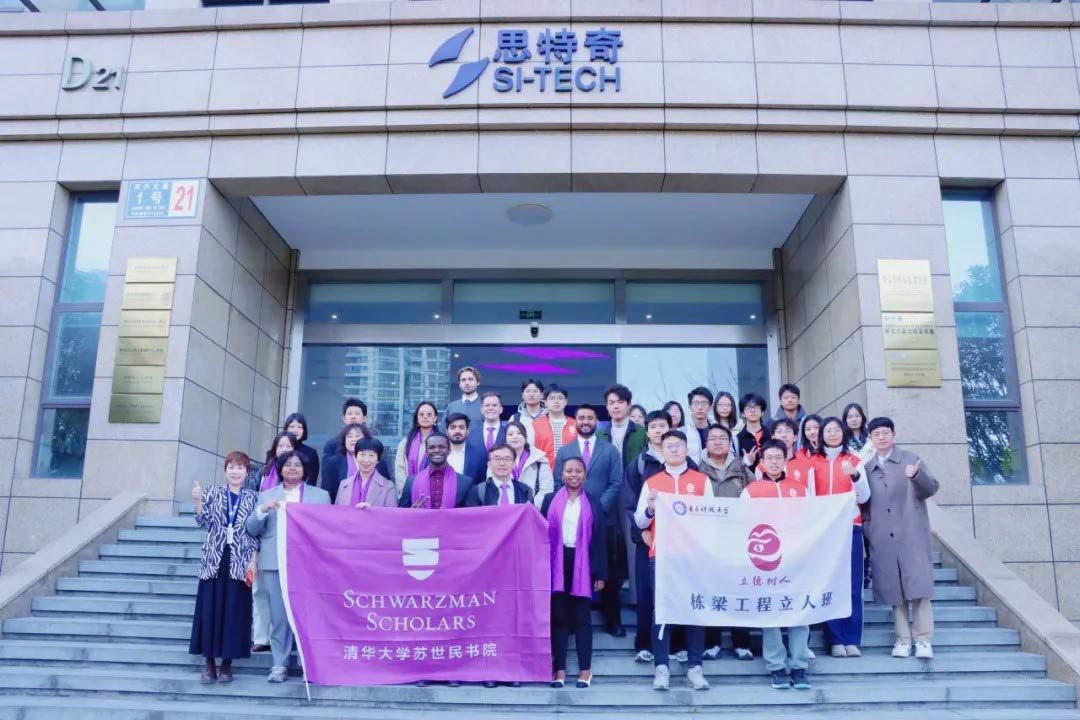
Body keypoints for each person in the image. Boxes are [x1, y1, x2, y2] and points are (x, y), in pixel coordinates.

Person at [633, 430, 711, 692]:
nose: (674, 449)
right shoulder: (652, 483)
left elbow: (712, 519)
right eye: (669, 446)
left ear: (686, 449)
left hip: (693, 556)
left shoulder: (701, 481)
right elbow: (639, 521)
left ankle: (695, 667)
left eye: (678, 445)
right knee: (662, 611)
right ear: (661, 450)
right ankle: (662, 667)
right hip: (661, 555)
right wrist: (651, 508)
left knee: (695, 609)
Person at [245, 450, 331, 682]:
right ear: (280, 469)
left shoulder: (320, 496)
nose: (293, 468)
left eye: (298, 465)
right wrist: (262, 510)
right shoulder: (266, 496)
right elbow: (251, 529)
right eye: (288, 464)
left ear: (305, 470)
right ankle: (279, 664)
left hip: (308, 564)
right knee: (279, 616)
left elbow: (326, 529)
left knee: (308, 615)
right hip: (275, 563)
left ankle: (309, 665)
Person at [862, 417, 939, 660]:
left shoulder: (910, 459)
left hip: (911, 533)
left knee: (919, 588)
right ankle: (903, 639)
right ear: (870, 439)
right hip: (883, 537)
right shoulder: (868, 468)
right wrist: (869, 529)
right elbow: (864, 504)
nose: (881, 437)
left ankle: (923, 638)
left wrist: (917, 476)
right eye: (876, 434)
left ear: (893, 434)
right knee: (894, 590)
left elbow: (931, 488)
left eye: (885, 432)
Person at [742, 440, 811, 690]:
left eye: (778, 457)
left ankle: (800, 666)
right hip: (766, 561)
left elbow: (813, 520)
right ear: (761, 462)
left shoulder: (800, 489)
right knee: (770, 612)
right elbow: (742, 523)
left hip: (796, 560)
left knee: (799, 612)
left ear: (785, 460)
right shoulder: (751, 490)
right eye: (769, 457)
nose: (773, 462)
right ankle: (777, 667)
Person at [554, 404, 626, 638]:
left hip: (603, 520)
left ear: (597, 421)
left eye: (590, 418)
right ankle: (570, 623)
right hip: (571, 520)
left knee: (606, 571)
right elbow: (558, 483)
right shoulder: (565, 451)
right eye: (581, 417)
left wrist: (594, 509)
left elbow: (616, 483)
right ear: (575, 421)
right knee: (571, 570)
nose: (585, 421)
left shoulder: (610, 450)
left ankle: (612, 621)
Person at [189, 451, 259, 684]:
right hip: (214, 559)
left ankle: (227, 662)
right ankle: (209, 661)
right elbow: (203, 522)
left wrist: (253, 560)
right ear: (225, 470)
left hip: (240, 560)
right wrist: (198, 502)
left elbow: (255, 533)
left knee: (234, 611)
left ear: (247, 472)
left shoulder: (253, 498)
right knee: (210, 609)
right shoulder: (213, 492)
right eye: (231, 467)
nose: (235, 472)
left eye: (240, 468)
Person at [542, 457, 607, 689]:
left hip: (584, 564)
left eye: (578, 471)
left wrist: (600, 573)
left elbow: (601, 539)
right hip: (556, 563)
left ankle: (585, 670)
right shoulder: (549, 500)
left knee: (582, 619)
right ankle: (559, 669)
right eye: (569, 471)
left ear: (585, 475)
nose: (573, 475)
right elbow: (540, 535)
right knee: (559, 618)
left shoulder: (594, 502)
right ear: (562, 475)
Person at [812, 417, 871, 658]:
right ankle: (835, 639)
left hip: (851, 528)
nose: (833, 434)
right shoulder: (813, 463)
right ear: (821, 435)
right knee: (829, 584)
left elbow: (864, 497)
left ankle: (851, 638)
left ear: (843, 433)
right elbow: (809, 498)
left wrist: (855, 476)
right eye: (828, 430)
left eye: (837, 430)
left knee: (853, 586)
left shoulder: (855, 461)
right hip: (825, 532)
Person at [697, 423, 754, 661]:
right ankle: (712, 642)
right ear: (706, 443)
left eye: (723, 438)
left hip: (738, 540)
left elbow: (757, 498)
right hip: (708, 540)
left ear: (730, 443)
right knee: (711, 590)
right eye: (713, 438)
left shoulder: (742, 469)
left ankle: (742, 642)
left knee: (739, 588)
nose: (718, 442)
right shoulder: (697, 470)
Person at [624, 410, 674, 662]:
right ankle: (644, 644)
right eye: (653, 426)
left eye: (662, 426)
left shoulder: (684, 461)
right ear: (647, 431)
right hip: (648, 539)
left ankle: (675, 646)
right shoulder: (639, 463)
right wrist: (640, 531)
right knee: (646, 594)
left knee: (675, 592)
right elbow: (630, 503)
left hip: (678, 541)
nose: (657, 430)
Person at [249, 430, 299, 653]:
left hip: (294, 549)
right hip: (266, 544)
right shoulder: (263, 476)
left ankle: (288, 638)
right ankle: (262, 637)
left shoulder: (302, 482)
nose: (284, 450)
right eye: (281, 446)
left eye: (289, 446)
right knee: (263, 594)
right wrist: (262, 509)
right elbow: (252, 520)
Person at [400, 432, 473, 509]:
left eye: (442, 447)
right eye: (432, 447)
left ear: (449, 450)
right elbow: (401, 513)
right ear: (426, 452)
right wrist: (412, 511)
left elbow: (471, 514)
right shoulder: (411, 481)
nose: (437, 450)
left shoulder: (465, 483)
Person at [322, 422, 390, 503]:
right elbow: (328, 493)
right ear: (344, 440)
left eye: (358, 436)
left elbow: (386, 488)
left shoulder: (379, 463)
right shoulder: (332, 463)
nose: (353, 439)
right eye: (349, 436)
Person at [465, 443, 535, 508]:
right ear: (489, 464)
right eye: (497, 459)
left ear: (514, 464)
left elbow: (530, 515)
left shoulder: (525, 491)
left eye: (507, 459)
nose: (502, 463)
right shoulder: (478, 491)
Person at [505, 420, 554, 510]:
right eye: (510, 434)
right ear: (505, 439)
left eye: (519, 433)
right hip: (507, 511)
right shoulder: (498, 460)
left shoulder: (540, 459)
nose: (515, 436)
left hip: (533, 511)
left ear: (525, 437)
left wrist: (529, 508)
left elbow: (546, 490)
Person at [336, 437, 397, 508]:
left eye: (371, 455)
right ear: (356, 456)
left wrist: (372, 510)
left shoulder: (388, 486)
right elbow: (337, 512)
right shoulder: (344, 484)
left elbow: (391, 513)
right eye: (362, 455)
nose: (366, 460)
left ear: (378, 460)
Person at [598, 384, 647, 469]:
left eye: (620, 402)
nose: (616, 406)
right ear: (607, 406)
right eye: (611, 403)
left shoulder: (642, 433)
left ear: (629, 405)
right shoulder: (599, 435)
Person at [394, 401, 439, 495]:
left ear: (435, 418)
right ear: (417, 418)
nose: (425, 417)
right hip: (408, 491)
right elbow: (400, 469)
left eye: (429, 414)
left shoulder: (441, 443)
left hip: (433, 492)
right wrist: (408, 490)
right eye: (421, 414)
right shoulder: (405, 443)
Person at [532, 384, 577, 468]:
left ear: (566, 401)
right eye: (552, 398)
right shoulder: (535, 425)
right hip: (543, 471)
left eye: (560, 398)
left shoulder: (576, 424)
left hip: (571, 471)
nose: (556, 401)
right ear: (545, 402)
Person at [767, 418, 815, 493]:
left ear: (795, 437)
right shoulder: (763, 467)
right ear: (773, 437)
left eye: (788, 431)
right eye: (779, 431)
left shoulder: (806, 466)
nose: (783, 435)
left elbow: (812, 495)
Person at [444, 412, 488, 482]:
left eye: (461, 427)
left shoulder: (479, 455)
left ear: (468, 431)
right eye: (453, 427)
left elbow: (481, 482)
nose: (457, 431)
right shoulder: (437, 453)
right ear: (446, 431)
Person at [735, 393, 771, 472]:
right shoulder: (737, 439)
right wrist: (745, 462)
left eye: (756, 407)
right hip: (747, 478)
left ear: (762, 412)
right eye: (748, 408)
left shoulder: (771, 436)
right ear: (743, 413)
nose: (752, 410)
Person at [284, 413, 319, 486]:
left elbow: (312, 481)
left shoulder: (311, 453)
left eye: (299, 427)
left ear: (304, 430)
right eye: (292, 426)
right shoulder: (279, 449)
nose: (295, 430)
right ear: (286, 428)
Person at [509, 378, 547, 445]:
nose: (531, 394)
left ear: (542, 395)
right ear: (523, 395)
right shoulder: (515, 418)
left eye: (535, 391)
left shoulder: (550, 416)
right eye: (528, 391)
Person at [687, 387, 714, 462]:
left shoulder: (720, 430)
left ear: (710, 407)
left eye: (704, 403)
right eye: (696, 403)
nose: (700, 407)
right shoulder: (683, 432)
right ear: (689, 407)